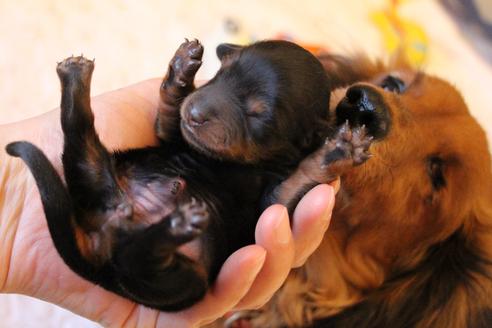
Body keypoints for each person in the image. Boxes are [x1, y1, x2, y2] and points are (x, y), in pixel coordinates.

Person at [0, 78, 337, 327]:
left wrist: (311, 169)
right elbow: (170, 129)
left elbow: (277, 198)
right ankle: (76, 111)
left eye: (256, 112)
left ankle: (160, 240)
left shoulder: (275, 160)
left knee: (182, 288)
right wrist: (177, 88)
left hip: (164, 252)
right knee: (90, 170)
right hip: (128, 189)